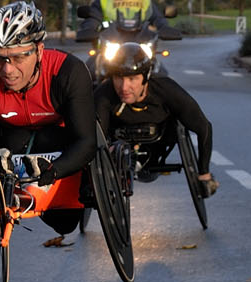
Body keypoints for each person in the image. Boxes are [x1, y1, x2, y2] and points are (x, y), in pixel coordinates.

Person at [0, 0, 98, 238]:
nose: (7, 70)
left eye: (18, 57)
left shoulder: (68, 71)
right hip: (10, 142)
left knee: (65, 224)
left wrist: (55, 171)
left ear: (39, 50)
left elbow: (87, 142)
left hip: (61, 143)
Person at [91, 41, 217, 195]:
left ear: (145, 77)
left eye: (132, 79)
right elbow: (96, 139)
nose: (124, 87)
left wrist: (204, 173)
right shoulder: (104, 94)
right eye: (118, 78)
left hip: (160, 141)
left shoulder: (166, 90)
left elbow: (204, 128)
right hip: (119, 139)